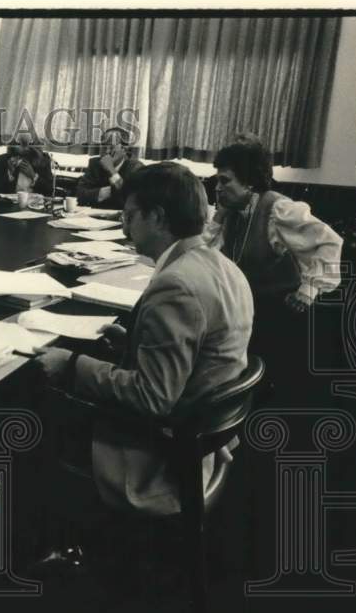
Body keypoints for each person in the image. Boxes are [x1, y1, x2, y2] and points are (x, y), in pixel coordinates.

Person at [36, 162, 254, 516]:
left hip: (161, 460)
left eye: (130, 214)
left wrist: (72, 365)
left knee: (29, 416)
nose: (125, 224)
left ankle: (59, 536)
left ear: (157, 217)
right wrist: (133, 342)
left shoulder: (176, 284)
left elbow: (152, 398)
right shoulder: (222, 265)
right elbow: (199, 351)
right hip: (205, 437)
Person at [207, 138, 342, 315]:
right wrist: (219, 215)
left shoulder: (278, 209)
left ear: (249, 182)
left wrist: (308, 290)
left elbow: (329, 241)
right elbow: (205, 254)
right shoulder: (232, 212)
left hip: (280, 311)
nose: (217, 188)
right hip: (246, 308)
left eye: (224, 181)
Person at [75, 126, 145, 210]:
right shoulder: (95, 163)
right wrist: (114, 191)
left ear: (124, 149)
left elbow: (129, 199)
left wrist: (111, 169)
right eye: (104, 147)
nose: (107, 151)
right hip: (95, 215)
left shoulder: (135, 167)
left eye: (111, 147)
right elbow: (80, 195)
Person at [0, 132, 54, 196]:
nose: (24, 148)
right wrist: (10, 174)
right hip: (10, 203)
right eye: (20, 144)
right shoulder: (4, 159)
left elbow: (49, 191)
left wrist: (33, 176)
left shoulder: (43, 160)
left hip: (35, 203)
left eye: (27, 145)